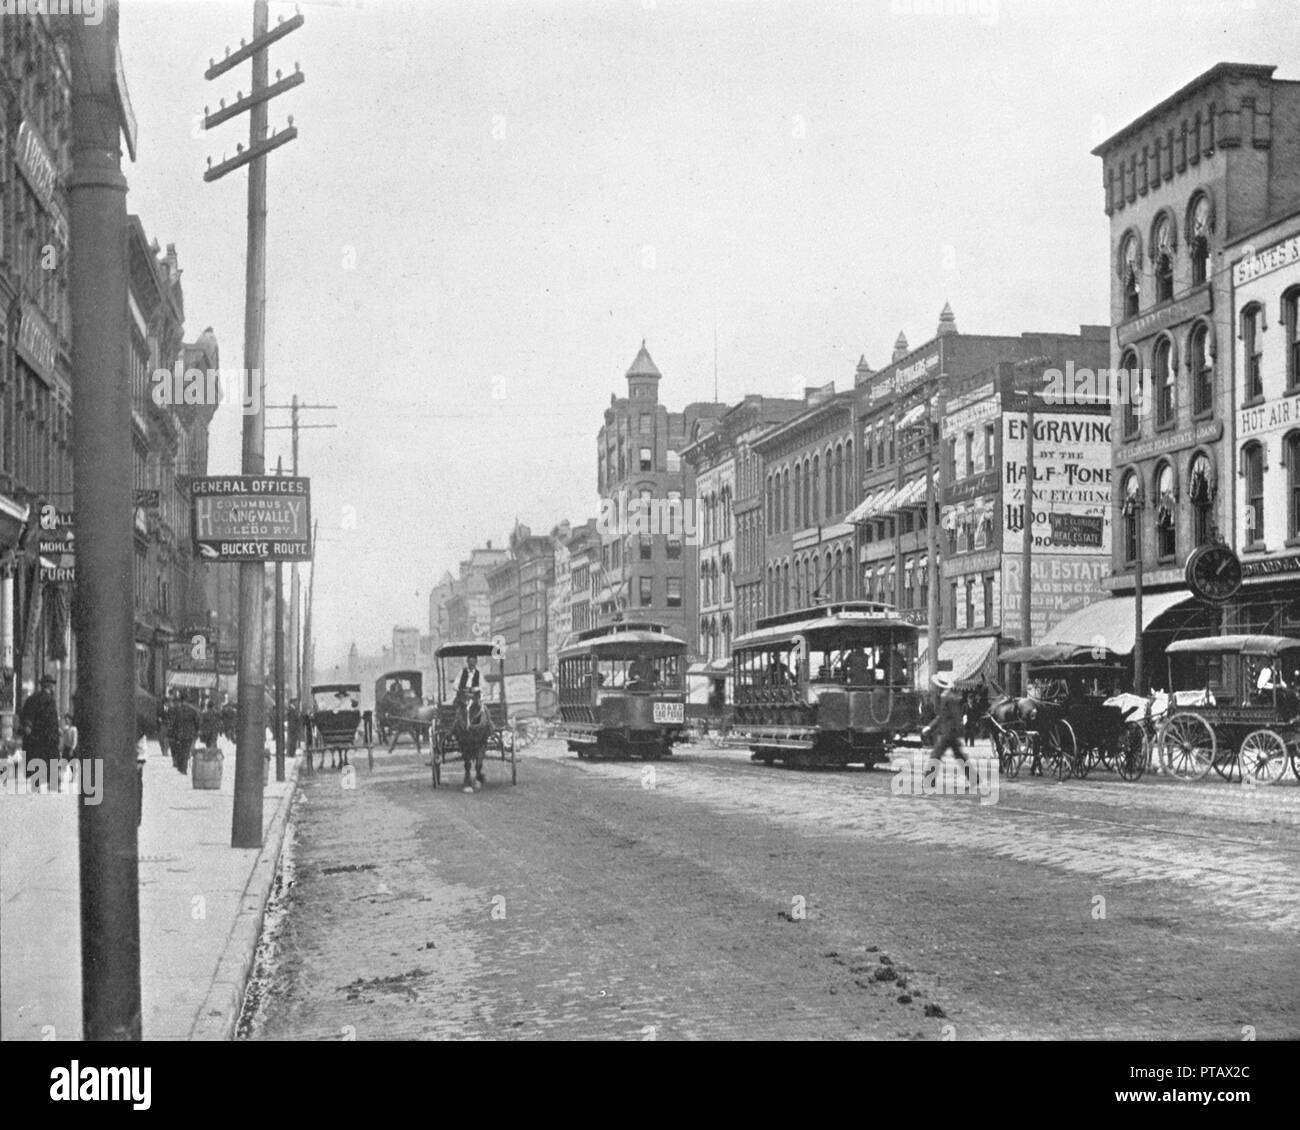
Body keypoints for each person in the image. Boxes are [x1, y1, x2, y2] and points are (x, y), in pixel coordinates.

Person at [20, 674, 61, 792]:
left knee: (37, 758)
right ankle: (53, 785)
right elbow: (52, 722)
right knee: (52, 759)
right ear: (49, 685)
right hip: (48, 738)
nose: (53, 687)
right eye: (52, 684)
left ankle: (36, 784)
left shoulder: (32, 699)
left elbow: (26, 717)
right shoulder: (50, 700)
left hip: (35, 738)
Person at [928, 674, 968, 764]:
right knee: (960, 758)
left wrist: (957, 731)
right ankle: (974, 778)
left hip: (948, 733)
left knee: (935, 756)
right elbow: (942, 716)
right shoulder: (947, 696)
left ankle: (929, 778)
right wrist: (930, 726)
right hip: (949, 732)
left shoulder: (948, 697)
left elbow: (956, 715)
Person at [169, 692, 199, 775]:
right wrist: (196, 732)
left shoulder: (176, 710)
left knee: (180, 751)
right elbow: (197, 723)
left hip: (179, 734)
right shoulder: (193, 711)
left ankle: (181, 767)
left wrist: (172, 732)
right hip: (189, 734)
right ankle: (183, 768)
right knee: (186, 751)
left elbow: (174, 722)